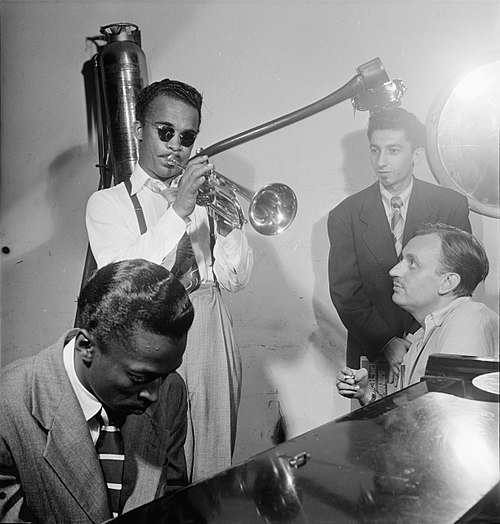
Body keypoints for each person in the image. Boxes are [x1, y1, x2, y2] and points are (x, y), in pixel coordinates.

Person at [86, 79, 254, 482]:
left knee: (215, 460)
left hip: (210, 327)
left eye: (187, 137)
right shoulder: (108, 203)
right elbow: (119, 279)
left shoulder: (203, 200)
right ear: (140, 130)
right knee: (154, 462)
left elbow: (236, 279)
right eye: (165, 132)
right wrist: (178, 211)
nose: (176, 145)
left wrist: (230, 229)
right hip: (146, 333)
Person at [0, 259, 193, 523]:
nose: (155, 395)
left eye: (166, 375)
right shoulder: (8, 404)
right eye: (139, 378)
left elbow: (173, 499)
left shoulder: (172, 389)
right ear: (86, 346)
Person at [327, 107, 471, 377]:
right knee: (374, 420)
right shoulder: (344, 215)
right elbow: (345, 293)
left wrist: (422, 340)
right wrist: (386, 342)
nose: (381, 161)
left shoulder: (450, 206)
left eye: (393, 150)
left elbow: (461, 281)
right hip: (373, 350)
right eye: (374, 150)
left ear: (416, 155)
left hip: (436, 344)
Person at [336, 223, 499, 406]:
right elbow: (409, 417)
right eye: (402, 260)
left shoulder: (468, 322)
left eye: (412, 263)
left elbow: (442, 423)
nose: (394, 271)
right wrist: (366, 393)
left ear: (447, 282)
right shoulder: (421, 336)